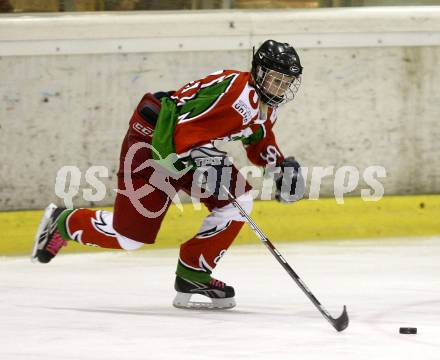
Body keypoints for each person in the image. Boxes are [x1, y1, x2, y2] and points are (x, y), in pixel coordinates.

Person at [31, 39, 304, 309]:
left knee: (237, 200)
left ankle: (193, 274)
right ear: (259, 72)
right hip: (153, 142)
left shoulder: (265, 105)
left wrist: (279, 168)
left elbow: (258, 138)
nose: (280, 88)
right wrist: (208, 161)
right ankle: (64, 222)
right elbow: (182, 131)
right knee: (129, 238)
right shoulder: (239, 98)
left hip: (184, 150)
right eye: (275, 79)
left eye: (285, 82)